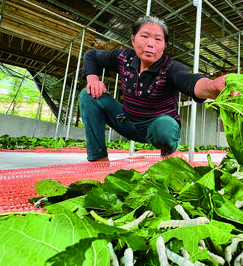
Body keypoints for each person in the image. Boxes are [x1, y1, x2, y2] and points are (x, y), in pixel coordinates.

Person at [79, 15, 229, 161]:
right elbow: (91, 55)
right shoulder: (123, 58)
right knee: (88, 95)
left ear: (164, 45)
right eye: (144, 36)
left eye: (158, 39)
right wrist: (93, 78)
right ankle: (98, 159)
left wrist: (211, 86)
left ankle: (169, 151)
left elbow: (188, 81)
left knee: (164, 127)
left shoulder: (170, 68)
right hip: (127, 121)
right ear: (133, 39)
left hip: (157, 129)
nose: (150, 44)